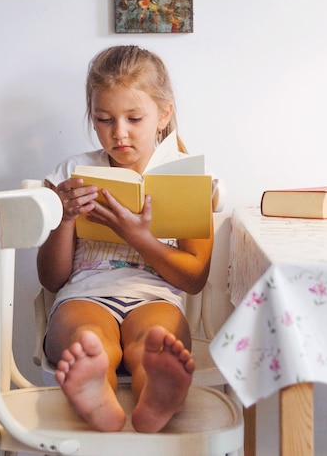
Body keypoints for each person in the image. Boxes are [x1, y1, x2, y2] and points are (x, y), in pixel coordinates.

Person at [37, 45, 219, 433]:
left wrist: (139, 237)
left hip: (155, 297)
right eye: (104, 119)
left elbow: (194, 278)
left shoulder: (187, 177)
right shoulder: (72, 171)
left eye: (134, 118)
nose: (118, 133)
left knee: (153, 341)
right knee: (90, 339)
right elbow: (51, 279)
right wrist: (64, 217)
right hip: (85, 294)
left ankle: (157, 391)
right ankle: (94, 391)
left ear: (163, 114)